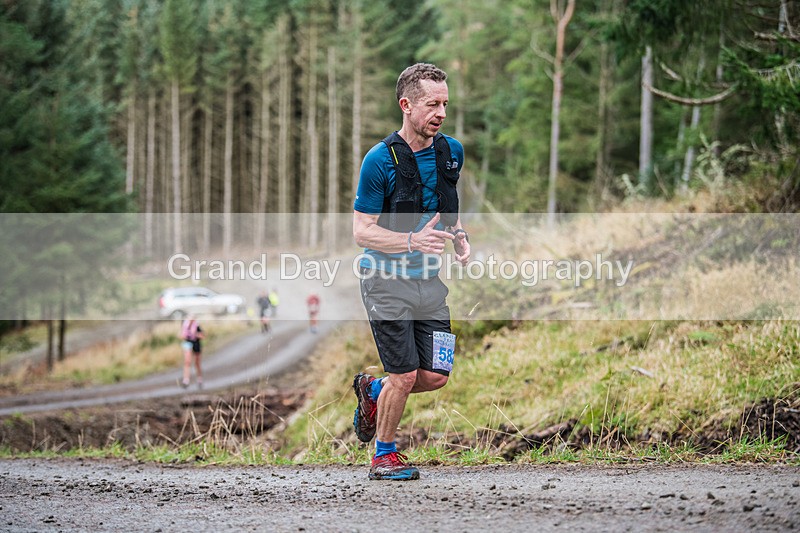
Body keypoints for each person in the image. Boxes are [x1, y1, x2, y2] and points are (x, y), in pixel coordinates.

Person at [351, 63, 471, 481]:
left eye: (445, 104)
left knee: (436, 374)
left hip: (429, 283)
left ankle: (374, 391)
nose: (440, 113)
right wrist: (409, 242)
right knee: (403, 374)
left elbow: (444, 209)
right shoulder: (378, 160)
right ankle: (383, 456)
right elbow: (361, 231)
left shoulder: (451, 151)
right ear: (406, 105)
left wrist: (459, 236)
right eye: (431, 104)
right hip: (385, 281)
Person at [180, 315, 204, 389]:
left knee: (197, 363)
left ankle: (199, 379)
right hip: (188, 343)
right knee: (187, 362)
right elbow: (181, 335)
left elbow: (202, 335)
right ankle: (186, 380)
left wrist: (196, 335)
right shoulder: (184, 325)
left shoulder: (197, 325)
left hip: (196, 343)